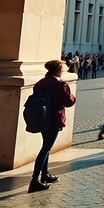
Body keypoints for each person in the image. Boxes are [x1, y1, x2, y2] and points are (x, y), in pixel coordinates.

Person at [29, 59, 76, 192]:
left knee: (46, 146)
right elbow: (68, 102)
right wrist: (73, 97)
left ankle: (45, 174)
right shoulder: (61, 85)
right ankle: (35, 180)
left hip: (41, 118)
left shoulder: (40, 83)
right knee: (46, 148)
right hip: (54, 119)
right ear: (58, 70)